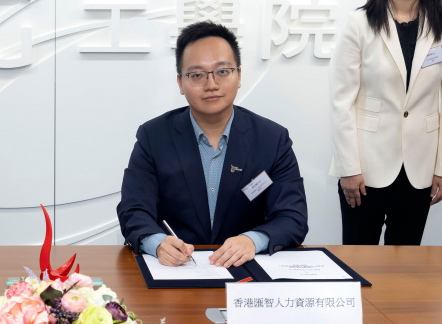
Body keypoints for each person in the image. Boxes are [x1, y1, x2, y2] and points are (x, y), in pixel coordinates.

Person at [117, 21, 308, 268]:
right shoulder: (153, 137)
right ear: (180, 83)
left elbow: (292, 216)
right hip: (176, 270)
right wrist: (157, 242)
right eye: (196, 75)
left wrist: (252, 240)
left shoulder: (272, 139)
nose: (211, 84)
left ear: (238, 75)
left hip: (246, 271)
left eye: (222, 71)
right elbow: (134, 210)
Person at [330, 0, 442, 245]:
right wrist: (349, 167)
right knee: (358, 258)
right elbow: (341, 101)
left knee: (406, 263)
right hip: (365, 166)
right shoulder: (359, 23)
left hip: (420, 167)